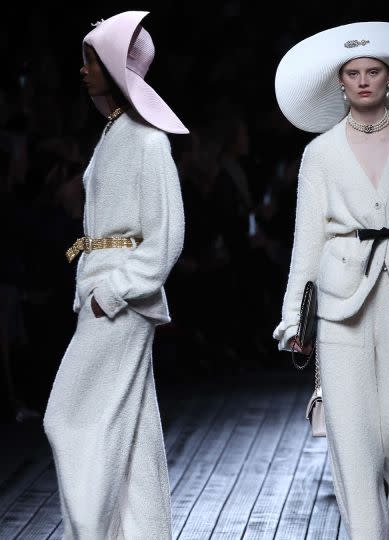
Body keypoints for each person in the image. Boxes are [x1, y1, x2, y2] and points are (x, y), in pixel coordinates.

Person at [272, 22, 389, 538]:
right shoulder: (320, 152)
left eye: (372, 71)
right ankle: (367, 532)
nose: (363, 81)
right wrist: (294, 313)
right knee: (352, 434)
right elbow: (306, 239)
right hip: (340, 303)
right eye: (352, 73)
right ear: (340, 82)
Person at [43, 11, 187, 538]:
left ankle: (89, 531)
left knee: (67, 418)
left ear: (116, 66)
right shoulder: (114, 134)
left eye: (91, 60)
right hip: (102, 293)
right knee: (132, 429)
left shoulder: (148, 141)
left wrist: (117, 291)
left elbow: (167, 235)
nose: (82, 70)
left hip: (119, 299)